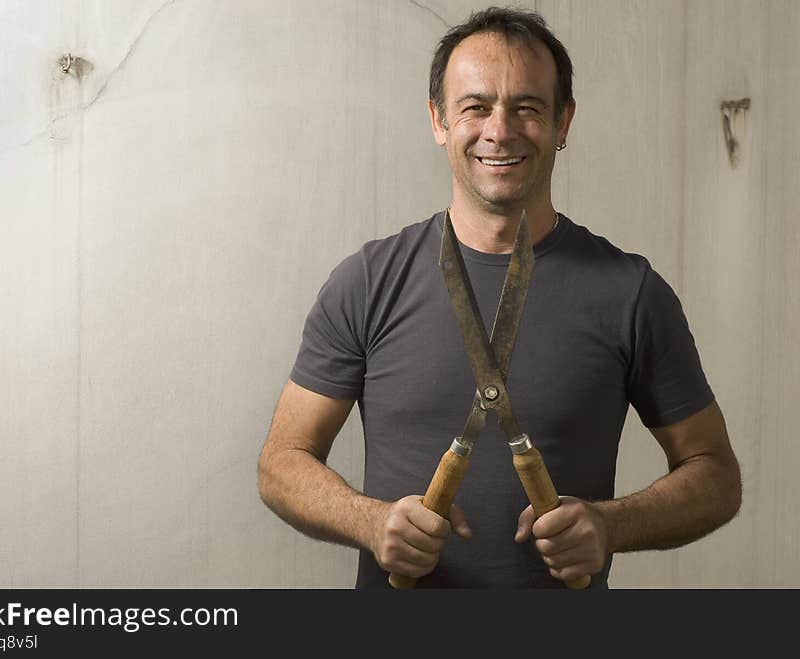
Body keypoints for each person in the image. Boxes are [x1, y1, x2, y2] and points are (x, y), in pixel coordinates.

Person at [257, 6, 741, 588]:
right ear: (439, 120)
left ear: (564, 122)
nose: (500, 130)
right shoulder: (366, 282)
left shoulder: (631, 292)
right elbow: (282, 462)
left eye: (528, 108)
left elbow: (715, 476)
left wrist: (610, 526)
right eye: (475, 107)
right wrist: (371, 521)